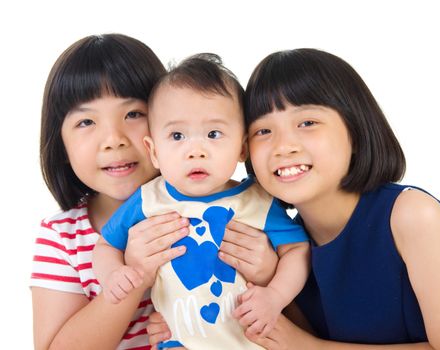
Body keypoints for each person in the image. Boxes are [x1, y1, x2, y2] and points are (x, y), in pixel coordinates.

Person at [148, 48, 440, 350]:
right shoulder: (276, 238)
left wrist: (306, 347)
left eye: (307, 122)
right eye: (263, 130)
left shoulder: (410, 216)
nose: (284, 146)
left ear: (355, 130)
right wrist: (182, 325)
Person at [30, 34, 277, 350]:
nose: (113, 139)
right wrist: (134, 278)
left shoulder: (238, 208)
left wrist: (269, 273)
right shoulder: (63, 237)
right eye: (86, 121)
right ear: (60, 144)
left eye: (133, 114)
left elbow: (295, 322)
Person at [93, 54, 310, 350]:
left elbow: (297, 251)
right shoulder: (147, 199)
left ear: (242, 147)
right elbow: (106, 245)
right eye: (177, 135)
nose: (196, 150)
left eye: (213, 134)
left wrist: (275, 296)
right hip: (177, 343)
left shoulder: (257, 200)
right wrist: (113, 275)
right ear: (153, 151)